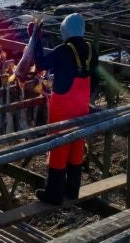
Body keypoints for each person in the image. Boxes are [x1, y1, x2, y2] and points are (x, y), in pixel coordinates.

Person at [29, 13, 99, 205]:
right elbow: (96, 78)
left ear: (64, 30)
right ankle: (72, 191)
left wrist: (36, 40)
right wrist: (88, 97)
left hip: (62, 108)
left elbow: (41, 64)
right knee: (77, 147)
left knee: (58, 148)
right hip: (81, 106)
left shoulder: (63, 49)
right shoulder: (91, 49)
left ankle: (53, 194)